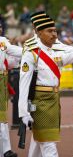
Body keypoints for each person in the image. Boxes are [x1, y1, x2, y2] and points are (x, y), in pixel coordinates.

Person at [18, 11, 73, 157]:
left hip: (53, 102)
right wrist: (23, 112)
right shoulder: (31, 53)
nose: (54, 34)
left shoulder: (54, 53)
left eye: (55, 30)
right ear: (39, 33)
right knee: (48, 145)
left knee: (41, 142)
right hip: (40, 103)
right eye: (50, 31)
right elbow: (24, 84)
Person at [0, 24, 22, 157]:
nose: (0, 29)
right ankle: (5, 150)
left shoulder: (2, 41)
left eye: (1, 26)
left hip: (2, 79)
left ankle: (5, 150)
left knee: (2, 116)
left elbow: (11, 60)